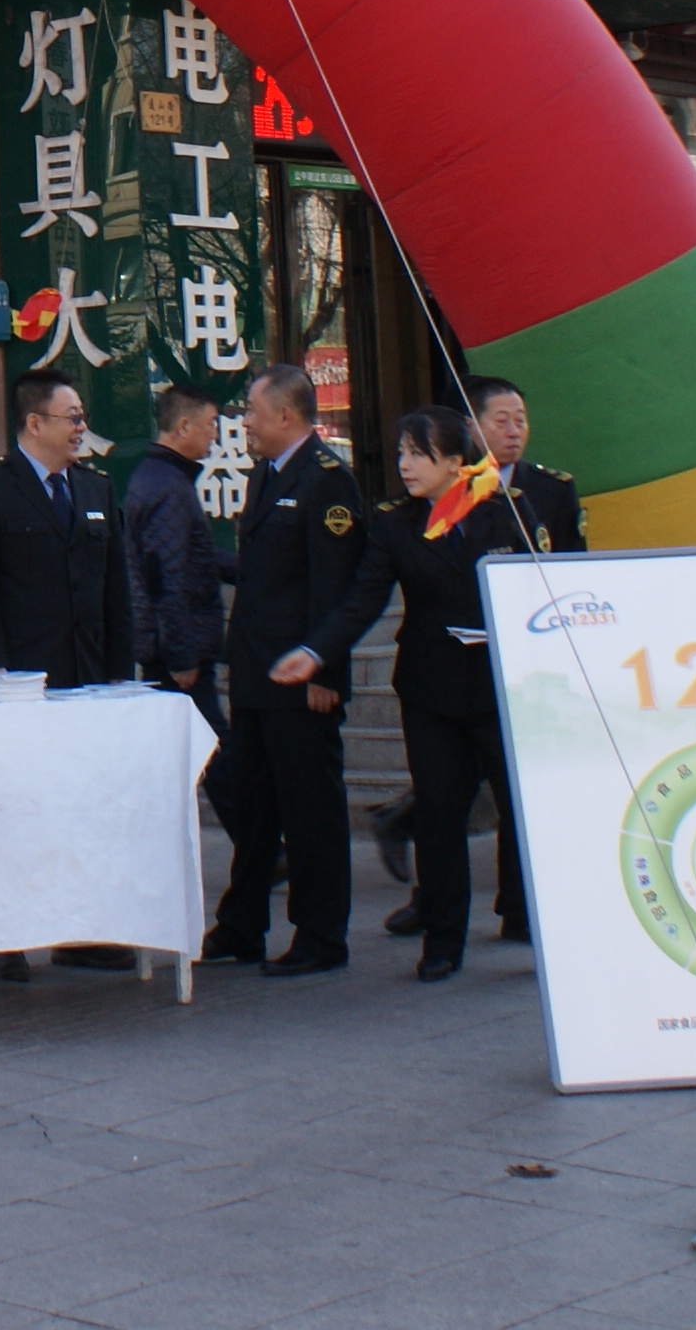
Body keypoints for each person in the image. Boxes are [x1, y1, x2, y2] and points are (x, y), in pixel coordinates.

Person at [320, 407, 533, 981]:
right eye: (401, 453)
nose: (404, 465)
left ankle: (541, 925)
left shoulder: (506, 511)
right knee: (439, 816)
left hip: (502, 689)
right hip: (431, 690)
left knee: (523, 813)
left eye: (418, 454)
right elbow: (363, 599)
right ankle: (442, 938)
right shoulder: (396, 523)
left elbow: (542, 588)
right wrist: (318, 652)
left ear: (455, 462)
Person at [0, 369, 136, 982]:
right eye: (71, 417)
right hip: (20, 685)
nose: (81, 427)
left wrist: (119, 677)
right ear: (34, 423)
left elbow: (115, 592)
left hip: (87, 679)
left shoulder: (95, 488)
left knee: (83, 807)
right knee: (15, 811)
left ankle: (80, 932)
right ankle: (8, 935)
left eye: (82, 417)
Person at [223, 362, 369, 978]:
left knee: (311, 812)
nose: (245, 423)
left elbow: (335, 587)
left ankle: (320, 933)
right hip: (257, 672)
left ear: (285, 415)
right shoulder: (266, 474)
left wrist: (326, 673)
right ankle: (242, 925)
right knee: (252, 805)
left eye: (252, 411)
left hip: (301, 678)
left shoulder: (327, 480)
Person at [119, 382, 233, 723]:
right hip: (177, 657)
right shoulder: (166, 485)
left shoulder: (165, 478)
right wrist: (181, 657)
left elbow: (191, 556)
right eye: (210, 424)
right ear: (183, 426)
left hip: (176, 650)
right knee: (209, 747)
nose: (215, 434)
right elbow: (165, 578)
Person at [463, 376, 586, 553]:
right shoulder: (450, 485)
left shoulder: (553, 488)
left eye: (520, 421)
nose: (514, 432)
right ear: (470, 426)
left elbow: (571, 560)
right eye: (501, 422)